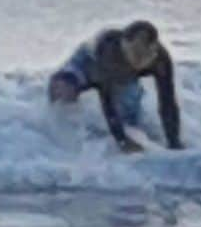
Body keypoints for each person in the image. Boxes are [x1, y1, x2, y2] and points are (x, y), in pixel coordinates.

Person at [48, 20, 183, 153]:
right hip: (88, 62)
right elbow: (107, 99)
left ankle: (149, 140)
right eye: (136, 53)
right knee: (60, 90)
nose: (140, 59)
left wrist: (174, 142)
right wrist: (122, 141)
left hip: (123, 74)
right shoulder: (110, 51)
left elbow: (168, 102)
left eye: (146, 55)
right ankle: (66, 144)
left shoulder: (160, 59)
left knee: (131, 119)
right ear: (124, 44)